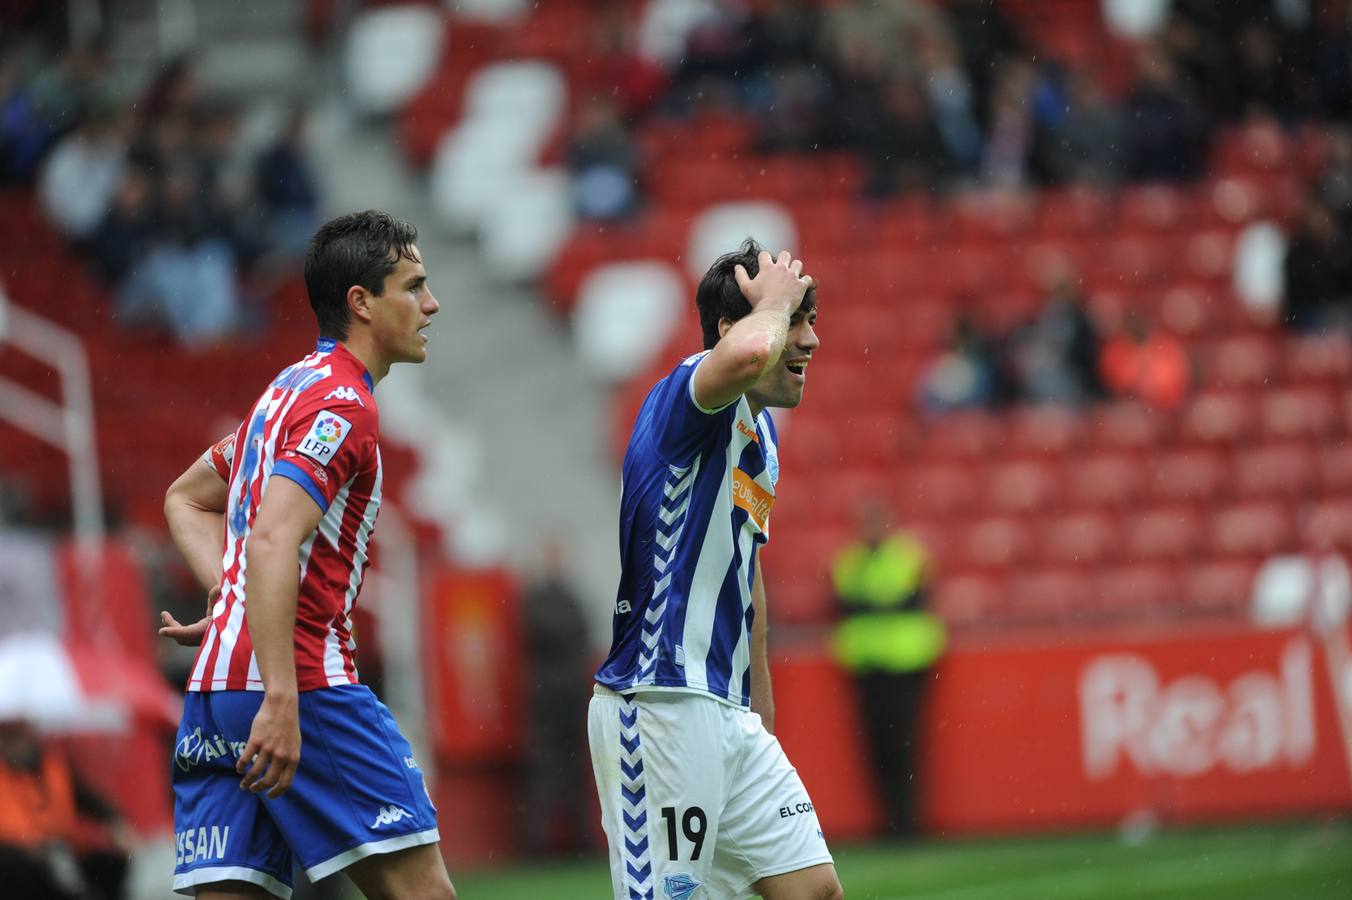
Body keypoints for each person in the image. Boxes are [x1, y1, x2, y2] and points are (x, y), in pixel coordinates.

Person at [157, 210, 454, 900]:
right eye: (413, 287)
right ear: (361, 302)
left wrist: (231, 599)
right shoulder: (344, 406)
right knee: (423, 893)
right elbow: (269, 537)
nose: (431, 305)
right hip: (297, 686)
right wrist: (283, 695)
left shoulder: (284, 392)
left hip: (214, 695)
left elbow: (187, 498)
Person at [589, 241, 843, 900]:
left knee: (814, 889)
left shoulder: (763, 436)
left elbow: (745, 564)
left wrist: (757, 696)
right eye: (796, 319)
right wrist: (775, 302)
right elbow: (747, 355)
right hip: (661, 703)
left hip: (726, 714)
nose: (810, 340)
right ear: (731, 330)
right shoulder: (690, 396)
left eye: (811, 320)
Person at [829, 500, 945, 837]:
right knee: (877, 747)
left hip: (906, 664)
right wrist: (886, 603)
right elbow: (847, 605)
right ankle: (891, 824)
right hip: (867, 667)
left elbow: (912, 601)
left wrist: (874, 604)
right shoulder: (849, 562)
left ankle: (908, 823)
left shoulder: (908, 556)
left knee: (904, 745)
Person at [518, 539, 592, 856]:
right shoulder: (540, 597)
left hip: (566, 692)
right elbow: (554, 632)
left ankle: (579, 839)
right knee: (547, 768)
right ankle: (538, 842)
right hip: (549, 695)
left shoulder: (565, 596)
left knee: (574, 768)